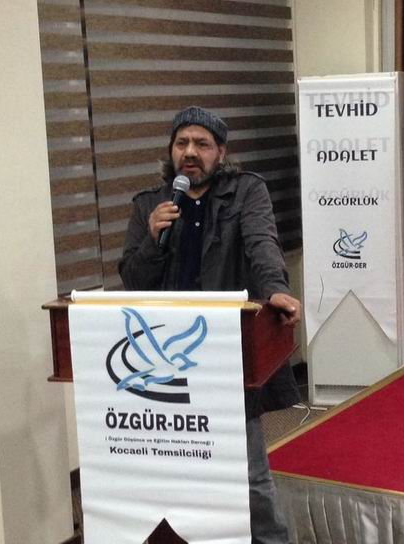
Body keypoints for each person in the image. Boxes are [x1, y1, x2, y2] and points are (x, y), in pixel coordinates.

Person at [119, 106, 301, 543]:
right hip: (167, 358)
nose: (190, 152)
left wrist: (275, 289)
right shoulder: (149, 204)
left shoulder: (246, 191)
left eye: (202, 144)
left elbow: (262, 244)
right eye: (182, 143)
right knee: (177, 472)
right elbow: (133, 280)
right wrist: (152, 240)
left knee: (250, 475)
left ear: (221, 152)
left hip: (227, 352)